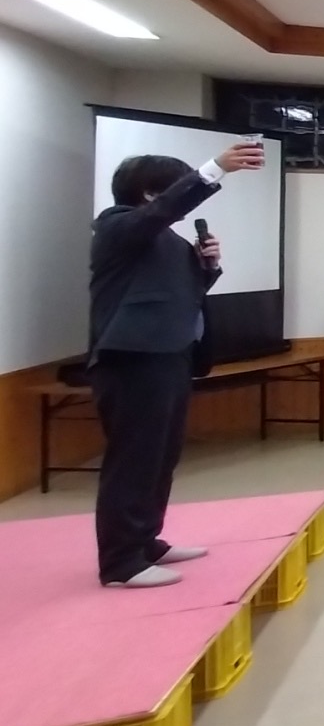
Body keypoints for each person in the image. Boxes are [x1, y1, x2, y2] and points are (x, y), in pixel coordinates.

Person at [88, 139, 267, 587]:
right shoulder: (117, 225)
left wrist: (208, 267)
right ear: (151, 193)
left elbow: (180, 296)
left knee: (160, 457)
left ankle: (146, 541)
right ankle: (121, 563)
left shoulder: (165, 238)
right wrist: (213, 169)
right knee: (134, 459)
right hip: (133, 358)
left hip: (170, 355)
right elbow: (163, 212)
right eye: (175, 186)